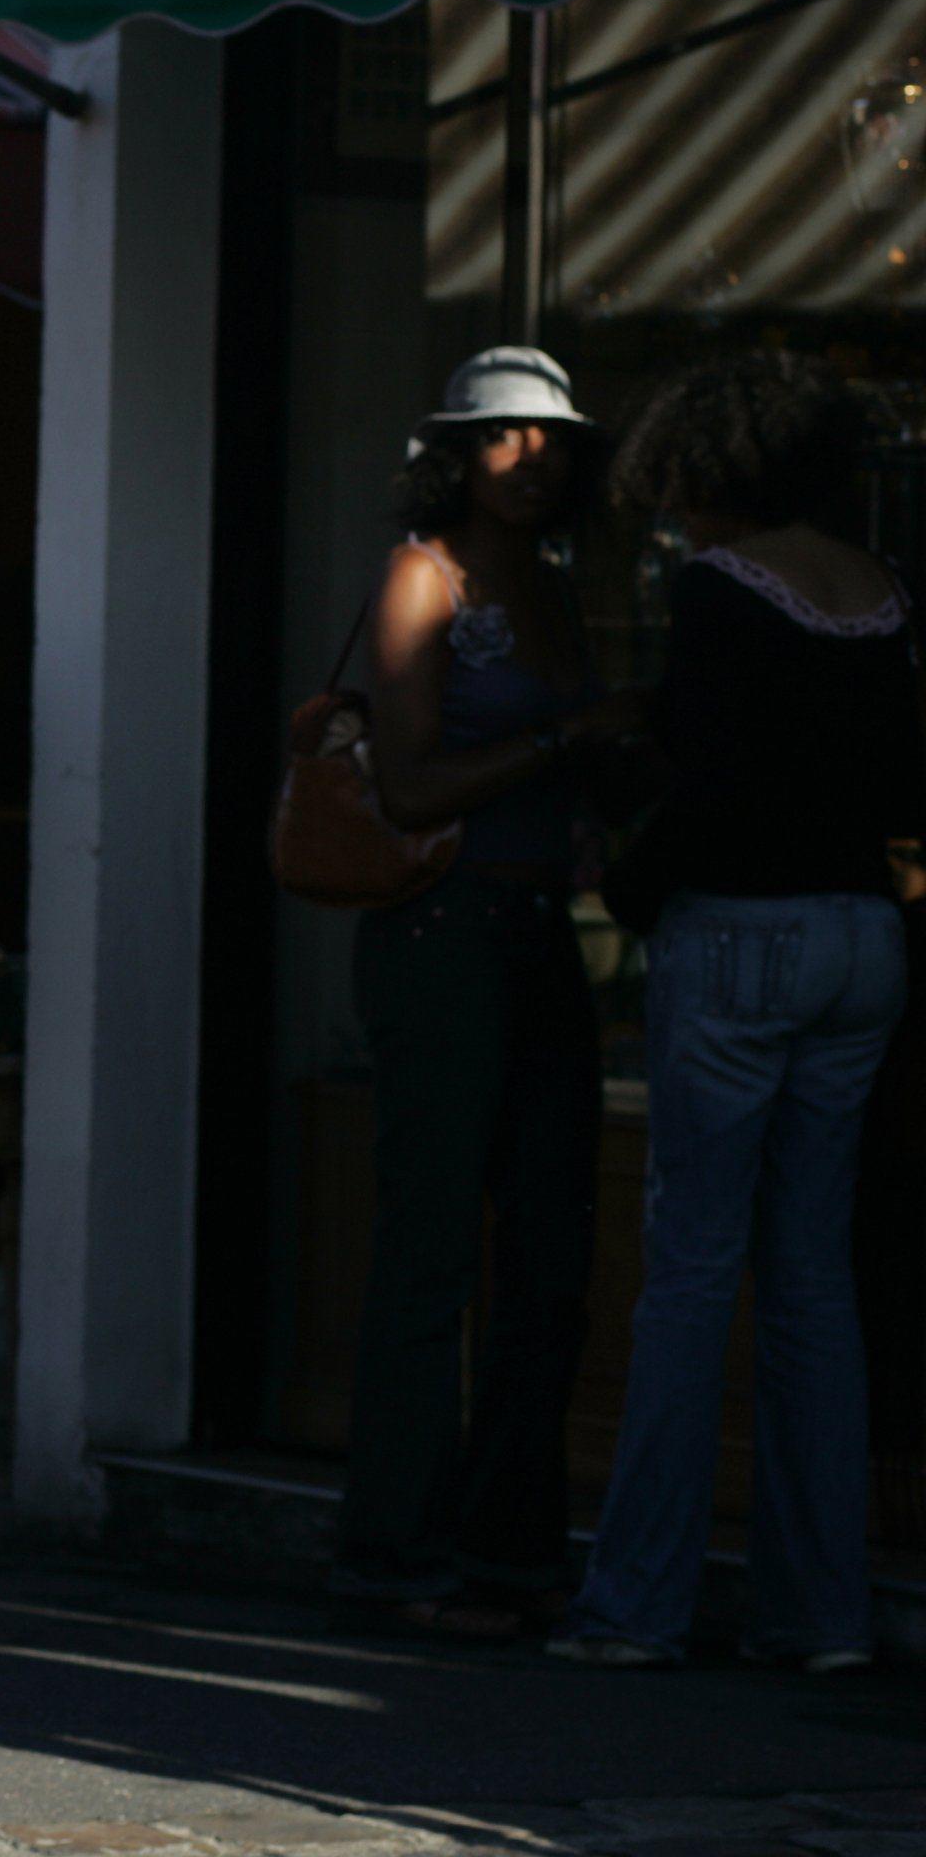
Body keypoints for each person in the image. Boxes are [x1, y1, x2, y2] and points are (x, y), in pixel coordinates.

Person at [551, 354, 919, 1673]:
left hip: (742, 937)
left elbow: (713, 786)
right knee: (813, 1279)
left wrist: (634, 887)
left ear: (716, 471)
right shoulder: (881, 592)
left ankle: (635, 1607)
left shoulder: (722, 590)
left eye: (682, 491)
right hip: (863, 936)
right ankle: (824, 1614)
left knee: (692, 1273)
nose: (675, 519)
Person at [334, 348, 644, 1635]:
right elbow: (404, 785)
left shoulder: (560, 587)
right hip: (441, 927)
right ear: (456, 455)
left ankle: (512, 1545)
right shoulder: (427, 576)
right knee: (431, 1245)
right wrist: (567, 740)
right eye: (506, 437)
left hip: (539, 927)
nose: (534, 459)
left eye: (554, 441)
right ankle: (397, 1548)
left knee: (554, 1247)